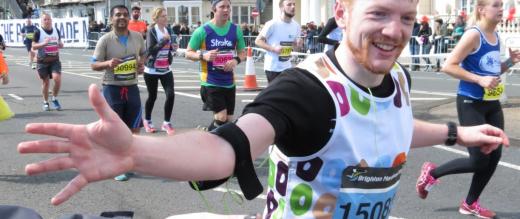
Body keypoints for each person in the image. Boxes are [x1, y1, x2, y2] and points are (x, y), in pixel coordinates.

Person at [18, 1, 509, 218]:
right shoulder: (306, 89)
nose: (395, 31)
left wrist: (454, 133)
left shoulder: (397, 77)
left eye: (405, 17)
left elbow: (392, 126)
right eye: (378, 13)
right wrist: (136, 154)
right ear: (341, 14)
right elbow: (228, 147)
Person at [416, 0, 520, 218]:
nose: (501, 9)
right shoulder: (474, 35)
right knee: (478, 159)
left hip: (491, 103)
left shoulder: (496, 37)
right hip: (470, 102)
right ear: (481, 9)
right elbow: (448, 66)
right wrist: (479, 80)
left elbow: (490, 72)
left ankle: (470, 203)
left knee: (495, 154)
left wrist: (510, 62)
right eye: (496, 5)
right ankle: (432, 173)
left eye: (502, 5)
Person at [91, 4, 146, 181]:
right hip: (112, 88)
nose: (121, 17)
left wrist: (141, 65)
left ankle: (130, 160)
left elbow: (143, 54)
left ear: (129, 17)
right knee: (115, 128)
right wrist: (107, 64)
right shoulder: (105, 40)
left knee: (135, 126)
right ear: (111, 19)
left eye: (124, 14)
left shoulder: (137, 37)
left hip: (132, 86)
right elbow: (94, 64)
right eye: (117, 15)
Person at [185, 0, 246, 132]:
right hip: (210, 81)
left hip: (229, 82)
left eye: (228, 7)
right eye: (222, 7)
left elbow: (242, 52)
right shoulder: (202, 31)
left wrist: (236, 60)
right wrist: (203, 56)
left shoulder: (236, 30)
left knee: (228, 121)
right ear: (214, 9)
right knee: (221, 117)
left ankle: (209, 136)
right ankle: (207, 139)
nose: (226, 10)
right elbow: (188, 53)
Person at [142, 7, 177, 135]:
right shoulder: (152, 30)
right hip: (152, 69)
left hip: (166, 68)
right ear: (156, 18)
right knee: (153, 96)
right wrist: (164, 40)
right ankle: (147, 120)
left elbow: (167, 48)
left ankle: (166, 123)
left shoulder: (167, 29)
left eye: (166, 15)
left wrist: (172, 47)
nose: (166, 18)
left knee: (171, 94)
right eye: (163, 16)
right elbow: (151, 50)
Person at [254, 0, 301, 84]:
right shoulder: (272, 24)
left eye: (294, 4)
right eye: (289, 5)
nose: (293, 7)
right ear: (282, 8)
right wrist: (273, 49)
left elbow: (295, 48)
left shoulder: (296, 26)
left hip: (287, 66)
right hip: (273, 68)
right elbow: (258, 41)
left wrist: (298, 44)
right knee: (276, 96)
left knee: (287, 94)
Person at [32, 13, 64, 111]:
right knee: (46, 82)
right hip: (42, 61)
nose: (47, 21)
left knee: (57, 79)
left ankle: (54, 98)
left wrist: (60, 44)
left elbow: (59, 42)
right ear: (41, 21)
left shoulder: (56, 30)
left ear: (51, 20)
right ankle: (45, 102)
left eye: (48, 19)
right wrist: (43, 43)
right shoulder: (38, 31)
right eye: (45, 19)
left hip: (55, 60)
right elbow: (33, 46)